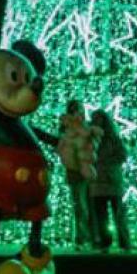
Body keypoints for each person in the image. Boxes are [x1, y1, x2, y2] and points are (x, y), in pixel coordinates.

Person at [55, 100, 95, 248]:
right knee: (80, 206)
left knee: (85, 206)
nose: (76, 113)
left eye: (77, 110)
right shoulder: (66, 129)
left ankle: (87, 236)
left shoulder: (85, 127)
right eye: (73, 110)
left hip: (87, 171)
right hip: (75, 172)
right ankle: (82, 237)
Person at [87, 109, 129, 251]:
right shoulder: (89, 139)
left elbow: (122, 155)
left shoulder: (113, 138)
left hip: (113, 181)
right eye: (96, 119)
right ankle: (105, 243)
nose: (98, 122)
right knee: (101, 216)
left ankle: (124, 242)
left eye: (100, 119)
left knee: (119, 214)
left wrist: (105, 162)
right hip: (97, 183)